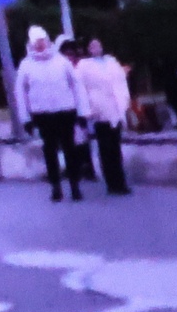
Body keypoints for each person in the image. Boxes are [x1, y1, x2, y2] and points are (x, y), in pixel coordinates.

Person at [15, 26, 86, 202]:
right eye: (36, 43)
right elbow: (21, 93)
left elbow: (76, 86)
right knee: (50, 151)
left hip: (65, 111)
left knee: (70, 149)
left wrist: (82, 111)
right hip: (43, 114)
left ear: (47, 41)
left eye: (42, 41)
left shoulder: (61, 61)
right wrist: (26, 119)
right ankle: (56, 187)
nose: (40, 45)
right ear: (31, 44)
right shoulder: (26, 65)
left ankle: (75, 186)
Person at [77, 38, 135, 196]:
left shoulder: (111, 62)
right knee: (105, 147)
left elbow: (121, 82)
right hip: (99, 110)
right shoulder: (84, 66)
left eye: (98, 45)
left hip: (115, 109)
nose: (96, 48)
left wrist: (124, 101)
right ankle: (111, 182)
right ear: (88, 49)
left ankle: (120, 182)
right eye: (92, 45)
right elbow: (80, 88)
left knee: (115, 148)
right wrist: (87, 109)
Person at [57, 36, 97, 183]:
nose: (70, 56)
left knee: (83, 139)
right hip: (67, 110)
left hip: (83, 110)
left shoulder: (82, 67)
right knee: (71, 141)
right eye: (66, 53)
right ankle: (74, 167)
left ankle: (88, 167)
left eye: (71, 53)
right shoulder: (59, 70)